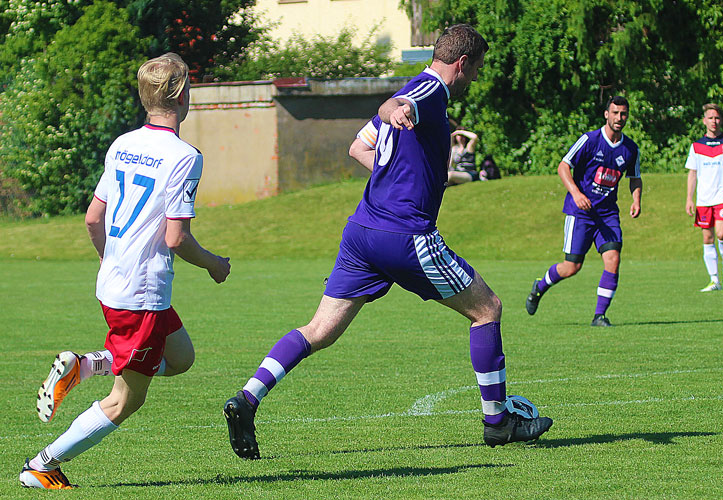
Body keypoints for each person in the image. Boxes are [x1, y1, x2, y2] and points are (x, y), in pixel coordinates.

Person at [223, 24, 552, 461]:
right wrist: (393, 111)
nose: (475, 77)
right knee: (487, 308)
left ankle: (247, 399)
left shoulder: (415, 87)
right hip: (406, 236)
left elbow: (359, 148)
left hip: (362, 234)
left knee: (319, 331)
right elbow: (392, 107)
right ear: (462, 63)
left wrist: (403, 173)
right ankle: (498, 423)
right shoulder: (431, 93)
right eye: (476, 69)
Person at [19, 53, 231, 489]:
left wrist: (111, 260)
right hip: (141, 294)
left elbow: (92, 218)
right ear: (183, 95)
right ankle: (41, 465)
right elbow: (176, 239)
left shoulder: (122, 143)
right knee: (124, 401)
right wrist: (214, 264)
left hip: (115, 282)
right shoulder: (185, 156)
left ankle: (86, 364)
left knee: (181, 359)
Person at [525, 96, 642, 327]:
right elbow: (563, 166)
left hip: (607, 215)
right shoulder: (590, 140)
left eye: (623, 114)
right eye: (615, 113)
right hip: (581, 213)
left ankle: (599, 315)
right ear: (606, 114)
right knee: (571, 267)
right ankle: (539, 287)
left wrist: (636, 200)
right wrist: (577, 194)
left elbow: (635, 178)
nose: (619, 118)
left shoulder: (630, 149)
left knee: (613, 259)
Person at [686, 103, 723, 292]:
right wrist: (689, 198)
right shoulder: (696, 146)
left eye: (717, 118)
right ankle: (714, 280)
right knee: (708, 238)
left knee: (721, 233)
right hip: (704, 199)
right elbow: (692, 173)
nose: (714, 121)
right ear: (704, 121)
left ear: (721, 120)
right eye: (710, 118)